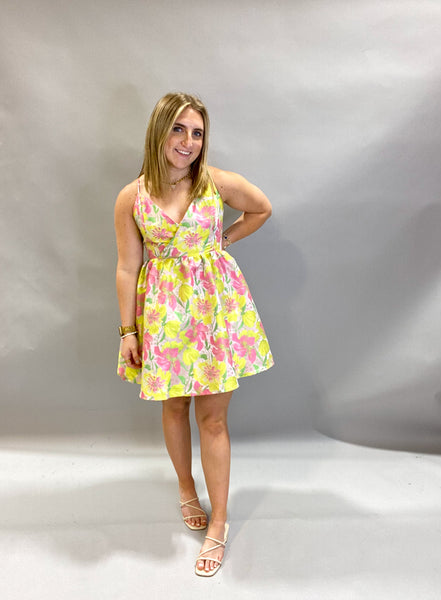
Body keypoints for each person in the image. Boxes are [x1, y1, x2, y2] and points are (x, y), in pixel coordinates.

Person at [114, 92, 274, 577]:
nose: (187, 141)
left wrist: (220, 242)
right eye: (178, 129)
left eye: (197, 133)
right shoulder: (131, 197)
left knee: (214, 419)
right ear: (159, 131)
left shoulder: (215, 183)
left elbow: (261, 208)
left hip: (213, 313)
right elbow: (127, 267)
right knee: (174, 406)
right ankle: (186, 486)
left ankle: (218, 522)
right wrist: (127, 331)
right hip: (165, 317)